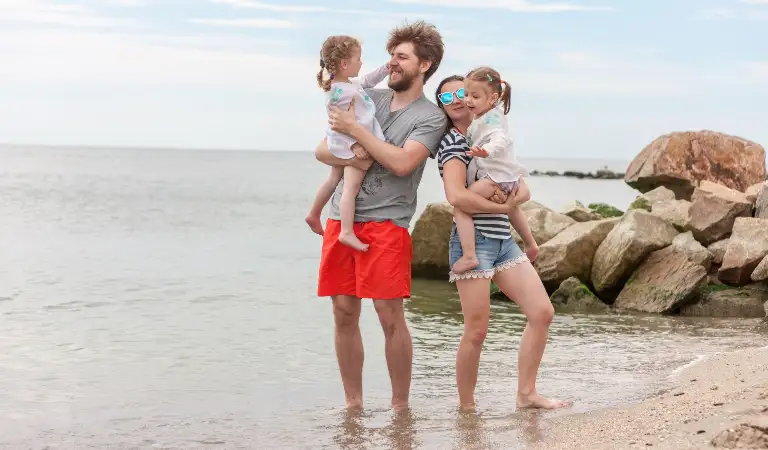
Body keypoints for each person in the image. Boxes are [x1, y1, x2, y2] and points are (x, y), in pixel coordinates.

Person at [313, 20, 449, 411]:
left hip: (387, 224)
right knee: (343, 313)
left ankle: (400, 409)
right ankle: (353, 406)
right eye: (391, 55)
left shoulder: (430, 117)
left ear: (424, 65)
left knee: (389, 316)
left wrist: (358, 135)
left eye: (402, 57)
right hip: (342, 220)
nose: (392, 63)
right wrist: (353, 152)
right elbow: (322, 150)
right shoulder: (365, 95)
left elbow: (403, 163)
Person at [435, 74, 568, 410]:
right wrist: (503, 206)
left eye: (461, 93)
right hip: (474, 241)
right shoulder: (454, 144)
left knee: (542, 312)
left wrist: (511, 201)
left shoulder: (491, 132)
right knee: (476, 330)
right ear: (442, 108)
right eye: (447, 98)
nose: (457, 100)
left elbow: (521, 187)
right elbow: (457, 198)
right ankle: (467, 409)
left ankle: (527, 395)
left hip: (503, 240)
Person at [305, 35, 390, 252]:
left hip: (342, 143)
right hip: (350, 144)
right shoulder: (341, 93)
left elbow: (369, 80)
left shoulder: (347, 85)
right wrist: (354, 146)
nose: (361, 62)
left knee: (333, 179)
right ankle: (346, 232)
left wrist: (386, 68)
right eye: (358, 59)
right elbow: (338, 124)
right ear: (344, 63)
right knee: (350, 189)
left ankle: (314, 214)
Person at [450, 66, 536, 275]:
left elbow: (500, 137)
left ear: (493, 98)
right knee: (513, 209)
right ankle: (531, 244)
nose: (468, 100)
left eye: (475, 96)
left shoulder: (492, 118)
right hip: (507, 177)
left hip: (494, 178)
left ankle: (469, 254)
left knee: (461, 207)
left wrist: (486, 150)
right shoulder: (484, 116)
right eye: (466, 94)